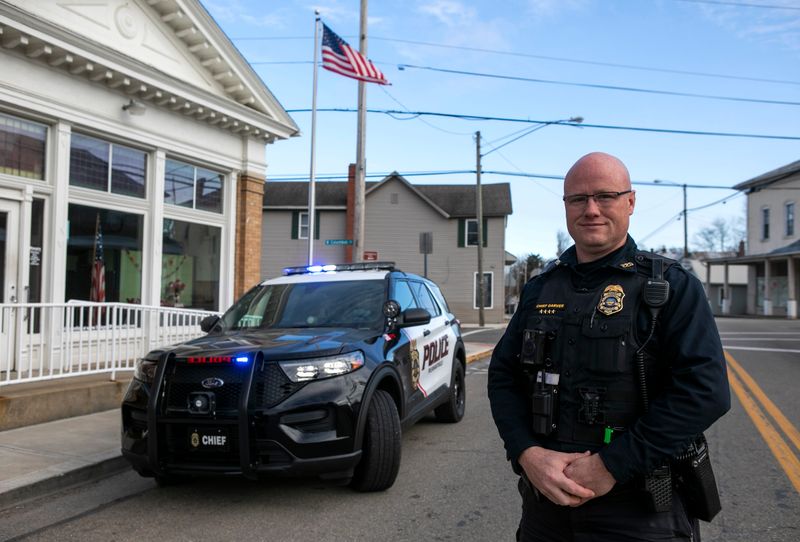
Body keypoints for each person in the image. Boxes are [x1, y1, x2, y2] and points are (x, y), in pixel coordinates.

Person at [487, 152, 730, 541]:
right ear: (566, 206)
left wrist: (611, 465)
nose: (591, 210)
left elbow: (706, 392)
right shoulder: (540, 288)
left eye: (605, 196)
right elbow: (503, 375)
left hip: (638, 512)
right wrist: (525, 453)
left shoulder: (670, 288)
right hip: (545, 509)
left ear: (630, 202)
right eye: (578, 199)